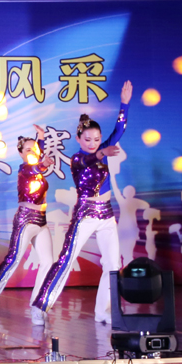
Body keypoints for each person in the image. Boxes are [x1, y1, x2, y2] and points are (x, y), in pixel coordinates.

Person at [32, 81, 133, 325]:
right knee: (66, 260)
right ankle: (40, 306)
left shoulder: (103, 149)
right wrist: (100, 153)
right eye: (88, 139)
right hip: (85, 214)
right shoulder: (78, 158)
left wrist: (125, 104)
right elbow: (89, 160)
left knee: (112, 264)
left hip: (106, 214)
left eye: (97, 139)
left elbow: (119, 130)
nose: (93, 142)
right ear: (79, 138)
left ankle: (103, 312)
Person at [0, 129, 55, 317]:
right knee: (13, 259)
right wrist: (43, 164)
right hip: (26, 219)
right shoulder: (25, 169)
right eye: (28, 150)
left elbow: (39, 157)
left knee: (48, 262)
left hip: (42, 220)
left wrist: (41, 138)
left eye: (35, 149)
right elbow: (37, 167)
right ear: (21, 154)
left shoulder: (37, 164)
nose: (33, 152)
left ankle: (37, 303)